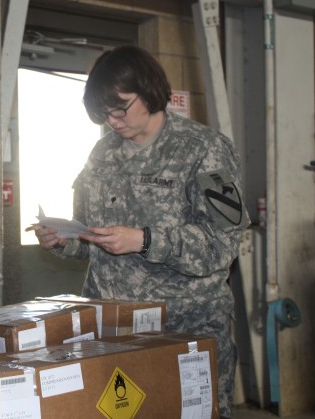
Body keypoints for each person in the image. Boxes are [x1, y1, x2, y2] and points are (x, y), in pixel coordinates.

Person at [27, 45, 249, 418]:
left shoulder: (205, 150)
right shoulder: (102, 154)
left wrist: (144, 240)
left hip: (183, 329)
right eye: (104, 113)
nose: (113, 120)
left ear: (148, 91)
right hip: (114, 329)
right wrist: (64, 240)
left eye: (121, 107)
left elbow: (222, 244)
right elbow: (92, 239)